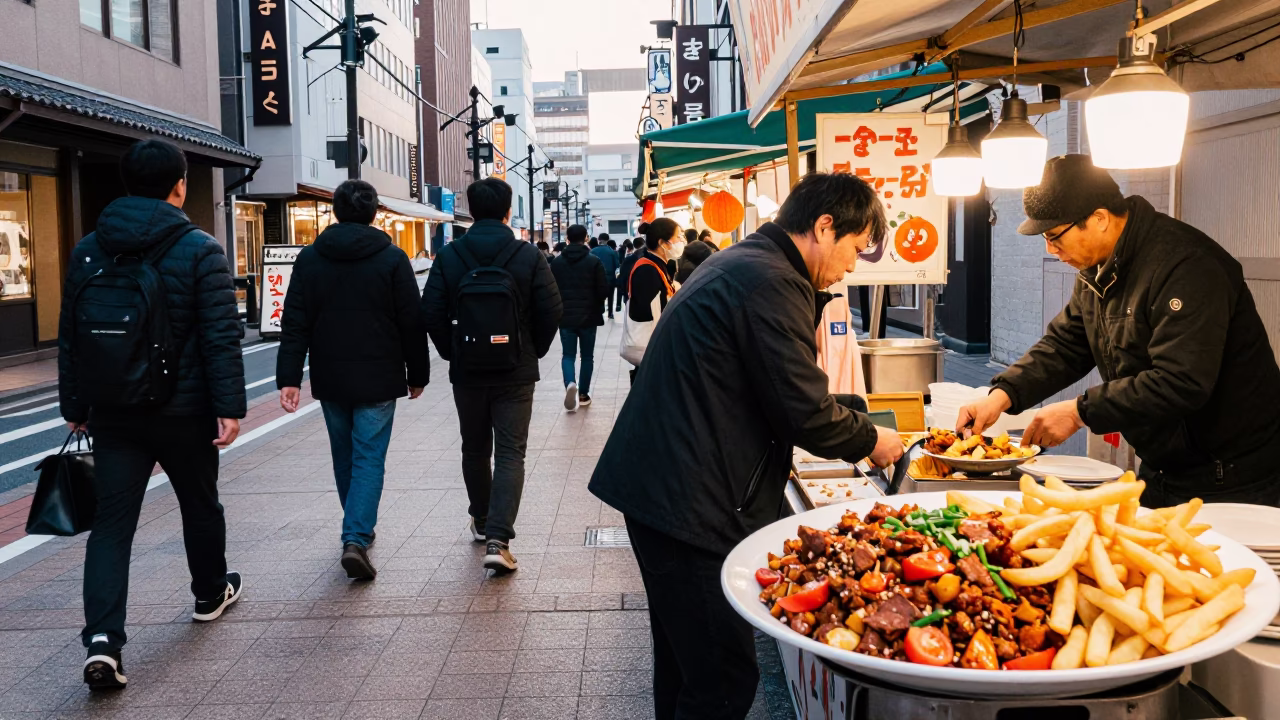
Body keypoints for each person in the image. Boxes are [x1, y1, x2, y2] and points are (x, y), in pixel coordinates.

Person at [590, 173, 903, 719]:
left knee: (686, 667)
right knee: (721, 677)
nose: (853, 265)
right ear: (824, 227)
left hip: (670, 488)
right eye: (855, 249)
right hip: (691, 503)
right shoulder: (771, 280)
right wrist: (871, 438)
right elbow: (803, 411)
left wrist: (849, 407)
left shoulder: (750, 262)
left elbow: (765, 381)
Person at [958, 154, 1280, 508]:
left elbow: (1180, 381)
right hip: (1163, 468)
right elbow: (1066, 344)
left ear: (1099, 218)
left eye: (1054, 236)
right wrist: (1002, 396)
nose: (1051, 249)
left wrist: (1079, 411)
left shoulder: (1187, 265)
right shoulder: (1097, 269)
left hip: (1231, 476)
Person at [58, 139, 246, 691]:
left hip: (113, 410)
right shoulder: (199, 248)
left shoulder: (91, 248)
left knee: (111, 528)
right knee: (199, 504)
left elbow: (72, 335)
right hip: (183, 411)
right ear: (180, 185)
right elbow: (220, 337)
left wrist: (75, 406)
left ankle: (103, 642)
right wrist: (229, 409)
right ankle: (210, 592)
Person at [276, 179, 430, 580]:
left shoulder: (310, 259)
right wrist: (419, 373)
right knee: (369, 457)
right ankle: (356, 536)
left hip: (331, 373)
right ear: (375, 212)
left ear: (336, 212)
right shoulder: (392, 259)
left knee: (344, 454)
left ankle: (356, 528)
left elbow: (295, 322)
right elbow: (411, 321)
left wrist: (289, 377)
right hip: (379, 375)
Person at [421, 178, 563, 572]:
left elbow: (430, 311)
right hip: (515, 371)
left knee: (474, 447)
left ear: (471, 209)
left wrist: (453, 351)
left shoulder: (450, 256)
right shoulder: (528, 255)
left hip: (468, 370)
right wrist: (531, 350)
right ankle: (499, 540)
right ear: (507, 210)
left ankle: (482, 520)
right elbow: (552, 310)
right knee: (511, 452)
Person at [551, 224, 609, 411]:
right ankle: (583, 394)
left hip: (565, 316)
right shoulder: (594, 261)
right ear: (585, 238)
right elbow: (603, 289)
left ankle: (570, 383)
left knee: (568, 355)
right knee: (587, 356)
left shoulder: (557, 263)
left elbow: (551, 289)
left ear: (567, 238)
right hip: (588, 316)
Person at [590, 229, 622, 319]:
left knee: (598, 295)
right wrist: (617, 280)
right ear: (607, 240)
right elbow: (617, 267)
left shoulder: (593, 251)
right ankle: (610, 313)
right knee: (610, 296)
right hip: (610, 278)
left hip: (596, 278)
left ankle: (600, 312)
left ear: (599, 239)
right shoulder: (612, 252)